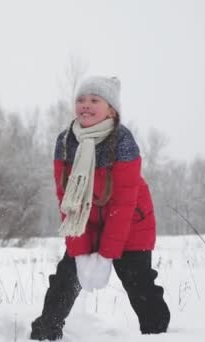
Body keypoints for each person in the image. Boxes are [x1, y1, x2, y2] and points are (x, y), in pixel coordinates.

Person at [30, 76, 170, 340]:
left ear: (111, 110)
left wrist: (106, 256)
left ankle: (158, 333)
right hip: (84, 222)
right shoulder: (65, 143)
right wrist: (81, 252)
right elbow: (67, 201)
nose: (85, 105)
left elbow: (123, 204)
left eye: (95, 100)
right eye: (81, 100)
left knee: (139, 284)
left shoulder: (123, 144)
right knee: (65, 280)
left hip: (130, 226)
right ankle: (46, 333)